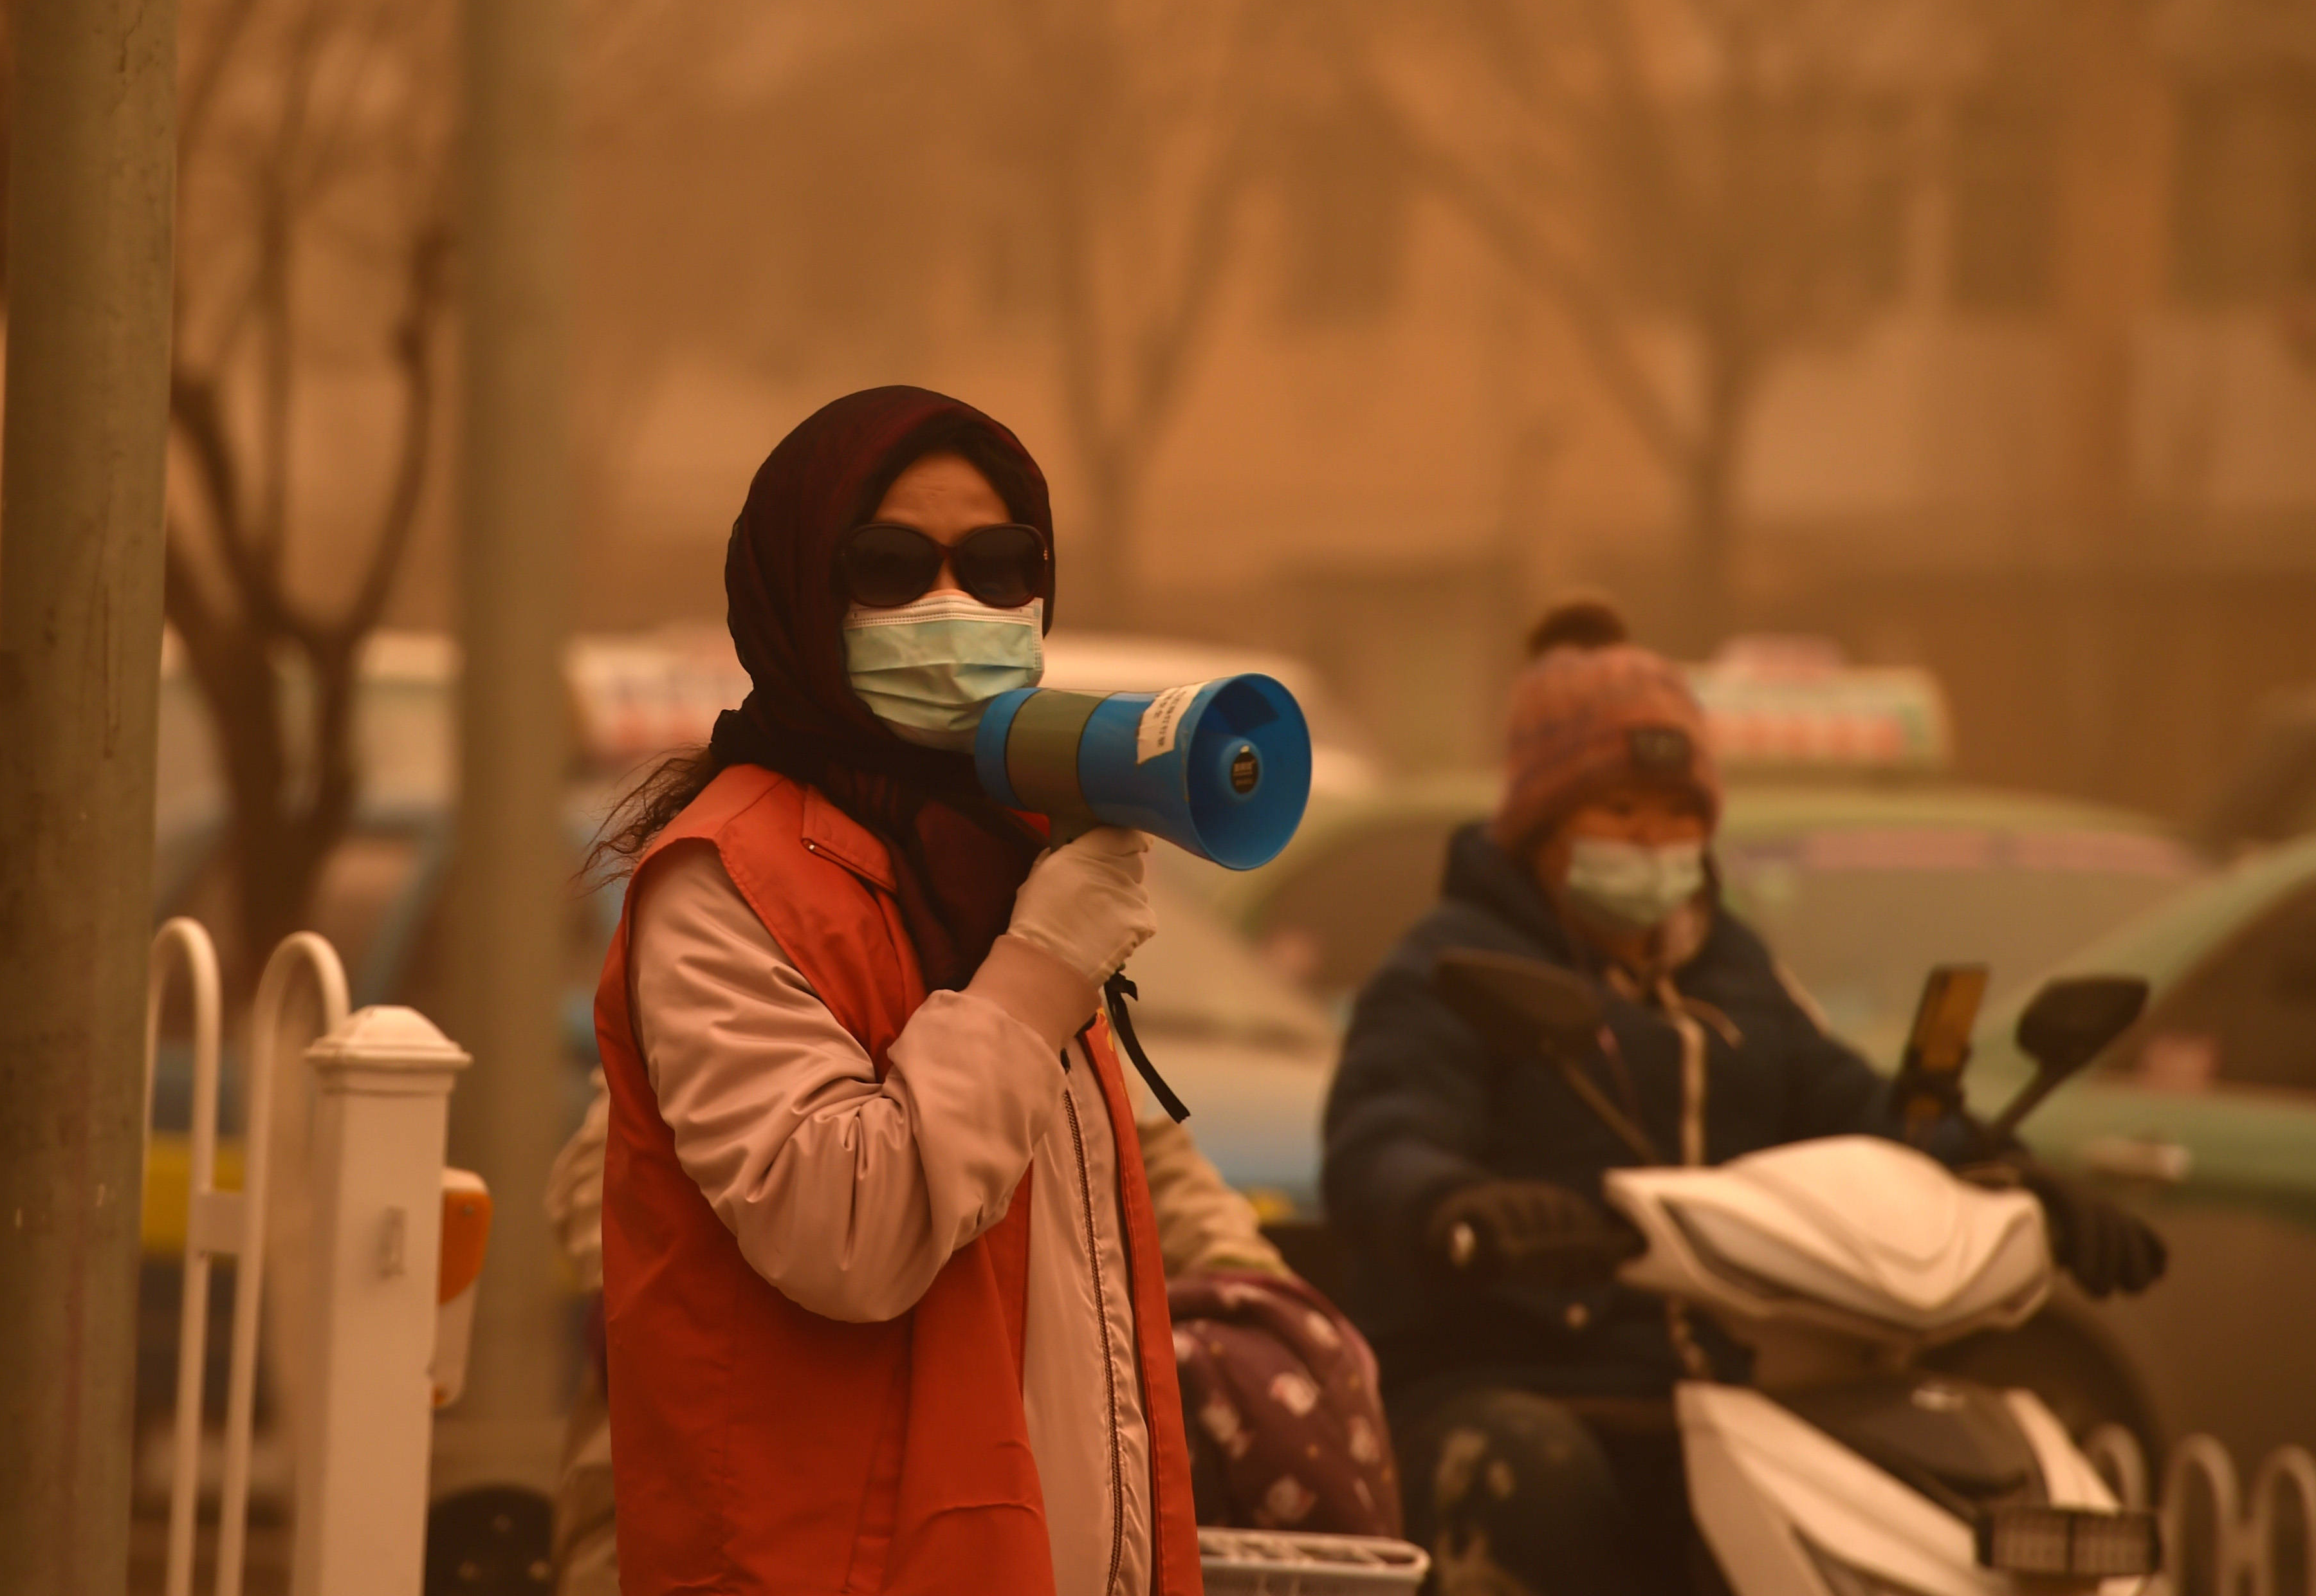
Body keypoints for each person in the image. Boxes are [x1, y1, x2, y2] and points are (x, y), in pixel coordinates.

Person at [1320, 600, 2166, 1596]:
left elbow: (1861, 1113)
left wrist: (2013, 1179)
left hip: (1737, 1397)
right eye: (1621, 811)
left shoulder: (1736, 975)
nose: (1656, 841)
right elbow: (1384, 1134)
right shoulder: (1450, 969)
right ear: (1544, 829)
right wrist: (1453, 1204)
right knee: (1534, 1478)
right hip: (1519, 1381)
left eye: (1680, 814)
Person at [589, 385, 1199, 1596]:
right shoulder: (724, 882)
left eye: (997, 564)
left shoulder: (1003, 858)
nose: (953, 607)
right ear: (802, 595)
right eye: (889, 565)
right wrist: (1039, 972)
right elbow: (848, 1235)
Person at [547, 1082, 1401, 1596]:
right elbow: (608, 1204)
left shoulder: (1035, 979)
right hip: (694, 1492)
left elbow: (1149, 1167)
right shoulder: (748, 933)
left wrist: (1248, 1307)